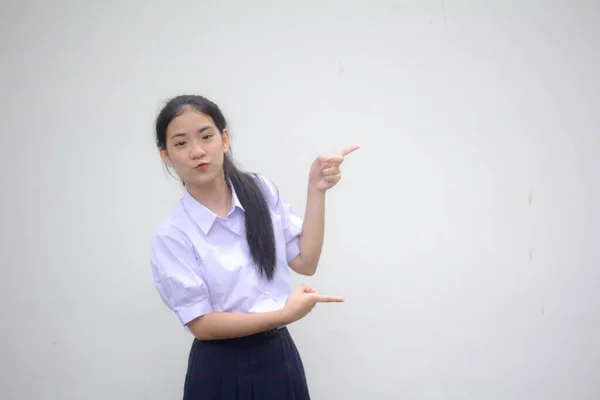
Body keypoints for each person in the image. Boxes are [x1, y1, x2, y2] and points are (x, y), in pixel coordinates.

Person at [150, 94, 358, 399]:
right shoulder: (172, 235)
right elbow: (202, 325)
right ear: (166, 155)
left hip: (278, 356)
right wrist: (284, 316)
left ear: (224, 139)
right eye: (180, 143)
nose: (197, 151)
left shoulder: (260, 191)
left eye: (206, 136)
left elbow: (305, 261)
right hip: (219, 367)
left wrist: (317, 190)